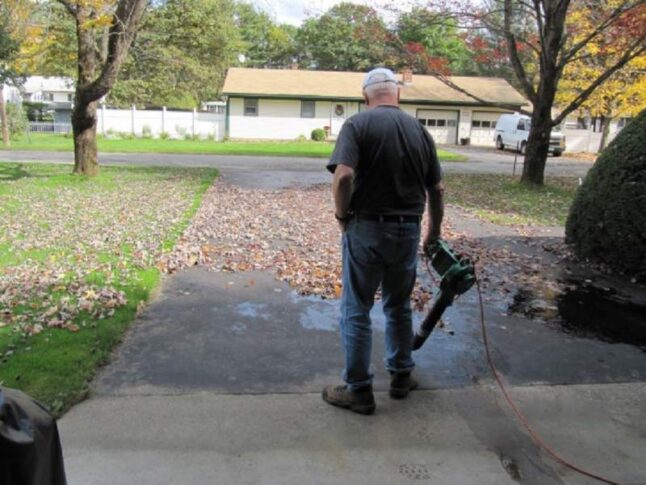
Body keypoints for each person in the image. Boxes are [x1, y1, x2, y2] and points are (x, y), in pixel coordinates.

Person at [323, 67, 445, 415]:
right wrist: (432, 233)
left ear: (365, 97)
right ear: (398, 95)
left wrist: (342, 216)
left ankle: (359, 390)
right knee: (398, 305)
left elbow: (344, 176)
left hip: (367, 229)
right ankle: (401, 376)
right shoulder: (420, 131)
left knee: (356, 308)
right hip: (407, 230)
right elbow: (436, 189)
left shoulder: (357, 126)